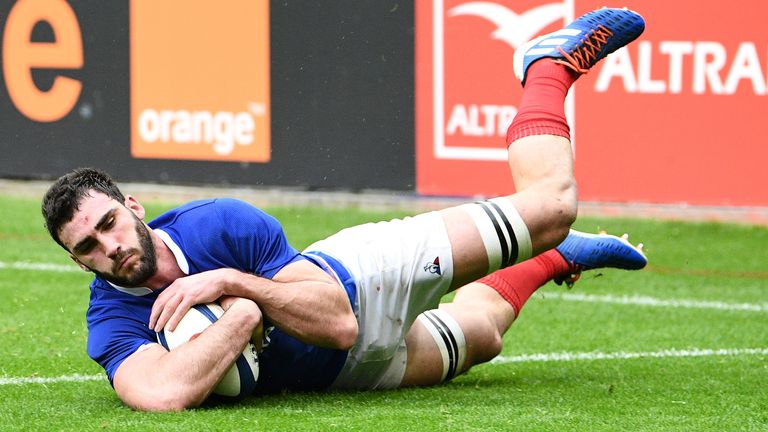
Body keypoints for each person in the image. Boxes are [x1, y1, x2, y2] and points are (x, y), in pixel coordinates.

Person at [41, 8, 646, 411]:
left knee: (550, 206)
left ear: (134, 208)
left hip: (361, 279)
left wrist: (229, 282)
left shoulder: (217, 223)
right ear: (77, 262)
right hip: (342, 375)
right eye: (88, 247)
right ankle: (551, 261)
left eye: (108, 223)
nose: (109, 246)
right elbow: (163, 394)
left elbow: (338, 323)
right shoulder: (110, 321)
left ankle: (547, 67)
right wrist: (241, 316)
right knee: (483, 335)